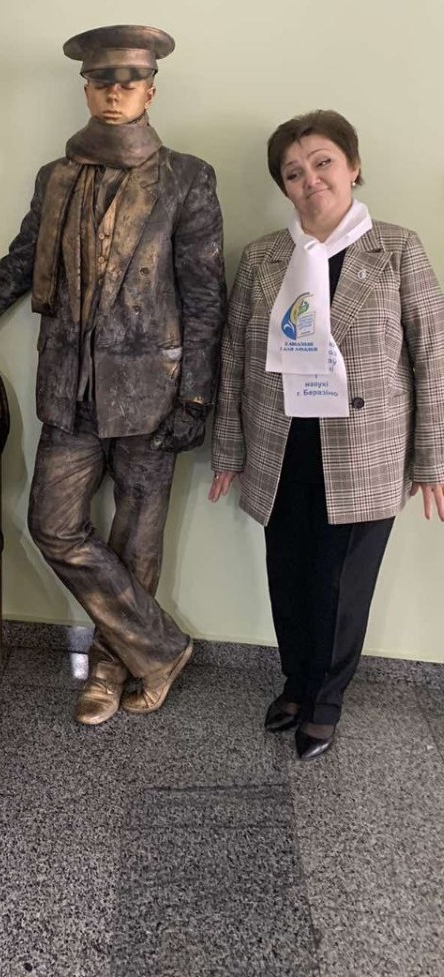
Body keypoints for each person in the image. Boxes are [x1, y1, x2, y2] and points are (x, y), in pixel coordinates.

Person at [0, 24, 226, 725]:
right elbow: (19, 264)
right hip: (68, 391)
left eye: (129, 82)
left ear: (151, 91)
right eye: (102, 81)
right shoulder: (57, 177)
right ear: (86, 88)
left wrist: (196, 394)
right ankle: (161, 649)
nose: (114, 93)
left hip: (154, 392)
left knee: (137, 540)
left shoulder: (187, 177)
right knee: (53, 525)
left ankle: (109, 668)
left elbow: (204, 295)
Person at [210, 109, 444, 759]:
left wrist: (432, 460)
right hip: (282, 446)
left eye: (323, 163)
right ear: (283, 186)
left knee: (341, 587)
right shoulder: (263, 257)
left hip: (367, 452)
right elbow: (234, 357)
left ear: (353, 167)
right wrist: (228, 447)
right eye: (293, 172)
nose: (310, 179)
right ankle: (296, 684)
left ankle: (326, 702)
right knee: (288, 575)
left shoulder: (397, 249)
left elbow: (433, 358)